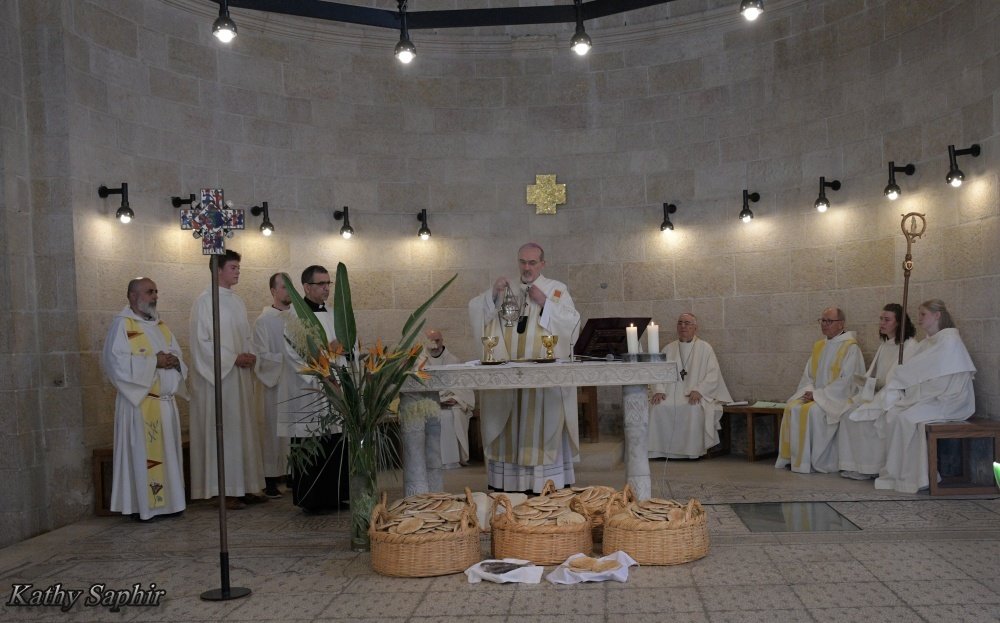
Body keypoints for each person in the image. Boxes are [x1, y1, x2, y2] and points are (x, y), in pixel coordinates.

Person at [468, 242, 580, 493]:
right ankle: (509, 484)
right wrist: (493, 295)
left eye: (532, 262)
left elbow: (573, 325)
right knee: (511, 429)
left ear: (542, 263)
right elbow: (477, 312)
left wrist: (545, 302)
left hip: (543, 381)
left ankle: (543, 483)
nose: (526, 267)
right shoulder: (510, 290)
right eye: (522, 262)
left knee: (542, 428)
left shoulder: (556, 290)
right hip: (509, 377)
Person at [102, 278, 188, 521]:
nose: (155, 296)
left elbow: (178, 355)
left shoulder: (161, 326)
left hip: (165, 404)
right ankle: (144, 507)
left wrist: (175, 362)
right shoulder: (122, 326)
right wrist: (155, 362)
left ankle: (171, 503)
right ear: (132, 296)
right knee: (144, 458)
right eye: (150, 292)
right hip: (140, 406)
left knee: (168, 458)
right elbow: (115, 364)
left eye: (156, 292)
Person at [189, 250, 267, 509]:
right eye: (233, 267)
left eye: (238, 267)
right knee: (226, 433)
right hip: (219, 380)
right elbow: (201, 343)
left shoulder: (237, 301)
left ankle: (246, 486)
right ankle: (224, 491)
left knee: (242, 431)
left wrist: (250, 354)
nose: (238, 271)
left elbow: (246, 336)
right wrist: (232, 358)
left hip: (239, 377)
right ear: (217, 270)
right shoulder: (205, 302)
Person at [874, 299, 976, 494]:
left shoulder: (949, 340)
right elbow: (916, 371)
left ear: (937, 316)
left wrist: (907, 382)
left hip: (950, 399)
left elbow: (938, 379)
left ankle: (915, 478)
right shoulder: (929, 342)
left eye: (923, 315)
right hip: (933, 396)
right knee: (894, 413)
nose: (919, 319)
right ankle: (896, 474)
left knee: (906, 419)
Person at [279, 265, 350, 513]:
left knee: (335, 439)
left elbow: (345, 348)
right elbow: (294, 354)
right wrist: (325, 363)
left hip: (335, 386)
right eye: (321, 284)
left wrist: (344, 353)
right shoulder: (296, 319)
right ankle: (312, 498)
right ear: (307, 287)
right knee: (313, 438)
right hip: (311, 391)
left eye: (328, 283)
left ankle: (336, 495)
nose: (326, 288)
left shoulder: (333, 315)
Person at [775, 307, 865, 474]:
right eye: (822, 320)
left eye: (829, 321)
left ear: (841, 324)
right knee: (792, 407)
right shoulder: (819, 347)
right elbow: (808, 375)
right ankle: (796, 460)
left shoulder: (851, 348)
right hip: (817, 395)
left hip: (836, 399)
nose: (824, 325)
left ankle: (816, 461)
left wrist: (818, 396)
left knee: (814, 413)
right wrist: (809, 391)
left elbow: (847, 381)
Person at [838, 303, 917, 480]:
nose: (882, 323)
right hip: (879, 392)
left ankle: (870, 468)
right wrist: (867, 384)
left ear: (899, 323)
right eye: (881, 319)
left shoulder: (909, 346)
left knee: (865, 418)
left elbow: (899, 380)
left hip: (895, 396)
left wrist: (879, 391)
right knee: (847, 413)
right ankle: (856, 464)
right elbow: (874, 373)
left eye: (887, 319)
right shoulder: (885, 344)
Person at [647, 313, 732, 459]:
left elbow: (713, 375)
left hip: (693, 394)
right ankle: (658, 451)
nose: (683, 326)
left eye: (687, 323)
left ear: (695, 328)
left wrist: (699, 390)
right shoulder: (668, 348)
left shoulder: (705, 348)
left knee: (693, 408)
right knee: (658, 407)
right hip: (670, 393)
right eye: (680, 323)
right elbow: (657, 372)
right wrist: (659, 390)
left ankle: (691, 452)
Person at [252, 272, 293, 498]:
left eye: (290, 287)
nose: (288, 291)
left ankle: (292, 474)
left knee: (293, 430)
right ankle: (269, 478)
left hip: (295, 384)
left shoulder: (298, 318)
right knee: (271, 431)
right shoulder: (263, 321)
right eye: (284, 287)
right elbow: (261, 355)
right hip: (274, 386)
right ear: (273, 291)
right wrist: (287, 360)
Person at [423, 329, 476, 468]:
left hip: (451, 402)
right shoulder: (421, 361)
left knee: (454, 415)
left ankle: (455, 459)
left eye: (437, 341)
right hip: (429, 402)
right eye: (431, 341)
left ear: (442, 340)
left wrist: (457, 398)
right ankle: (432, 460)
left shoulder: (453, 360)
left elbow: (464, 388)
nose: (434, 345)